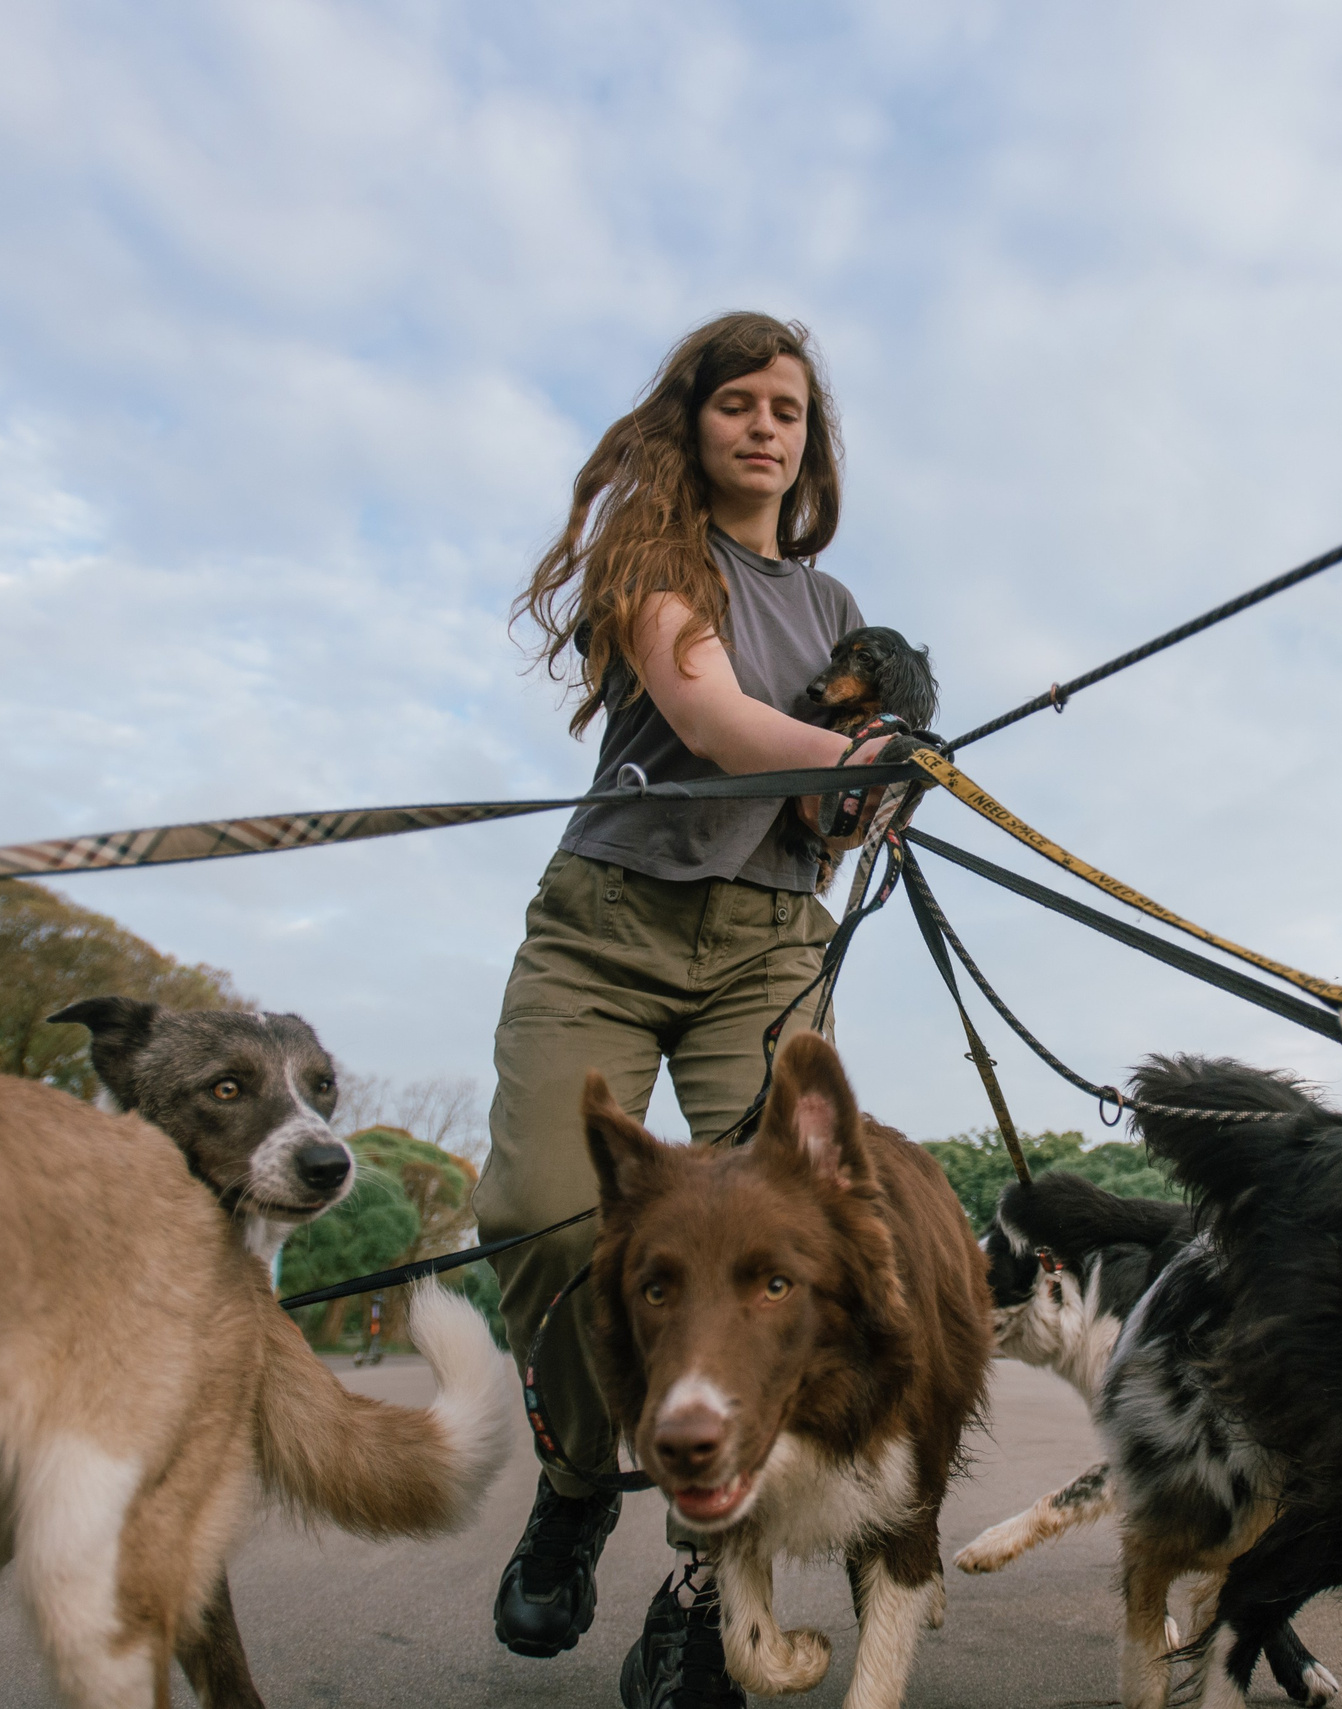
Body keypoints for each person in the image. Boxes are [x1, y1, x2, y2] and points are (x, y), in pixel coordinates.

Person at [474, 312, 891, 1709]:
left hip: (768, 940)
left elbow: (830, 801)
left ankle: (706, 1584)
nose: (766, 425)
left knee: (785, 1249)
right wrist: (853, 751)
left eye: (790, 409)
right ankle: (583, 1473)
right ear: (696, 422)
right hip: (608, 923)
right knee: (535, 1209)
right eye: (740, 403)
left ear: (809, 441)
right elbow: (711, 719)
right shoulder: (657, 552)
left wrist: (871, 784)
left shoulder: (835, 613)